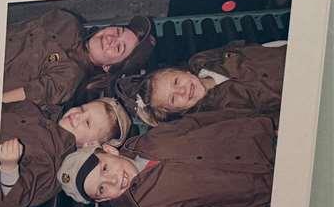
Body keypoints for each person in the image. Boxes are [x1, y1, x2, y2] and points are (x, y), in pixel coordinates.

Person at [57, 114, 275, 207]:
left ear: (109, 150)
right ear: (103, 199)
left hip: (271, 141)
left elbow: (204, 122)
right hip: (272, 192)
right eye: (102, 188)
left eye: (105, 168)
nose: (112, 180)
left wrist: (272, 128)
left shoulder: (149, 140)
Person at [0, 97, 130, 207]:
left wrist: (9, 167)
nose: (78, 115)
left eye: (87, 122)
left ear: (90, 145)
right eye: (82, 108)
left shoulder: (53, 166)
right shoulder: (38, 111)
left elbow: (8, 203)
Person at [2, 9, 155, 107]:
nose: (111, 39)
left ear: (108, 67)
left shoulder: (69, 78)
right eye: (118, 31)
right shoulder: (65, 21)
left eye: (118, 48)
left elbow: (7, 99)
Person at [115, 42, 287, 127]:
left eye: (176, 81)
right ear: (174, 111)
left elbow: (247, 47)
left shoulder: (204, 60)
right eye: (173, 98)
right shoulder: (216, 117)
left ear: (185, 72)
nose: (182, 90)